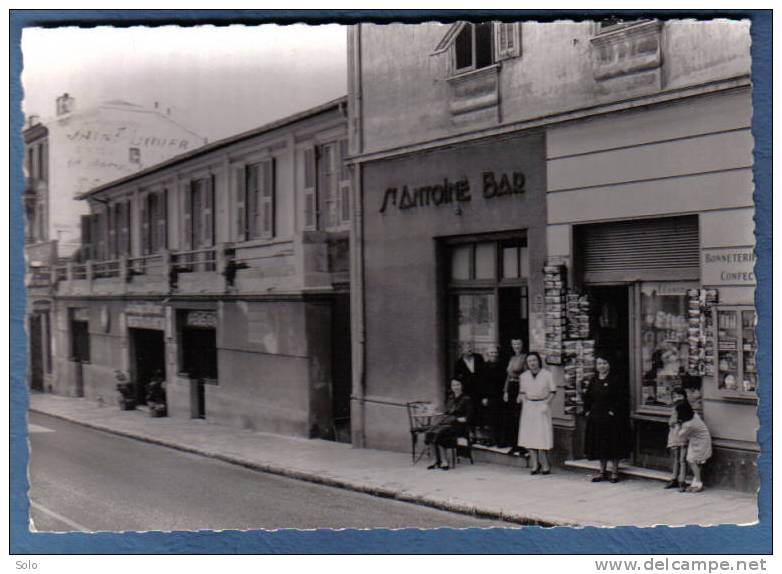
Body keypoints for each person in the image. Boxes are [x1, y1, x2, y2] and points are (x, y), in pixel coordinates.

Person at [583, 354, 632, 483]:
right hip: (596, 416)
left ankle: (615, 472)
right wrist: (588, 410)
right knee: (599, 444)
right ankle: (602, 471)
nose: (602, 366)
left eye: (604, 363)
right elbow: (588, 396)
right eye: (599, 363)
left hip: (612, 419)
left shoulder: (615, 379)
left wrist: (612, 411)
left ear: (609, 364)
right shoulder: (594, 379)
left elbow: (621, 398)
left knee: (613, 444)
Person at [517, 352, 557, 474]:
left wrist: (546, 404)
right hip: (529, 407)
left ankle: (545, 464)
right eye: (529, 361)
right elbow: (522, 392)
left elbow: (553, 391)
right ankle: (534, 464)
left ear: (538, 361)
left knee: (541, 435)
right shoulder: (524, 376)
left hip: (542, 406)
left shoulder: (547, 375)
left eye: (534, 360)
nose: (532, 363)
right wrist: (522, 400)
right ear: (527, 363)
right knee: (529, 436)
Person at [424, 379, 474, 471]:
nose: (456, 387)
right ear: (451, 387)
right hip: (448, 423)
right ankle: (435, 460)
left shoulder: (466, 399)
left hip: (459, 426)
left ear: (462, 385)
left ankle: (444, 461)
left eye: (458, 384)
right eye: (453, 385)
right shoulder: (451, 398)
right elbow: (447, 412)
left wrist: (463, 419)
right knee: (430, 432)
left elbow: (469, 416)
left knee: (441, 433)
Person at [676, 401, 712, 493]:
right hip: (700, 440)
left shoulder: (689, 424)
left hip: (700, 442)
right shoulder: (693, 415)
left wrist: (677, 426)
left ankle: (699, 483)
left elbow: (680, 435)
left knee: (691, 460)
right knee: (697, 462)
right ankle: (695, 483)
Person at [500, 338, 526, 454]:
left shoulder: (525, 358)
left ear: (522, 344)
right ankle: (514, 444)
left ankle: (521, 445)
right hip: (511, 388)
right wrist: (505, 391)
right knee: (511, 417)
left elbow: (525, 377)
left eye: (518, 343)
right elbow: (508, 376)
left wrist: (521, 392)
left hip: (519, 387)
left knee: (518, 417)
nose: (516, 346)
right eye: (514, 344)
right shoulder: (512, 358)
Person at [478, 345, 506, 446]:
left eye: (495, 353)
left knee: (501, 419)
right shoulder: (484, 366)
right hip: (489, 396)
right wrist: (484, 397)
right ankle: (492, 440)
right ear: (487, 354)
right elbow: (481, 383)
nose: (494, 355)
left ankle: (500, 441)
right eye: (491, 353)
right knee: (490, 419)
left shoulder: (502, 365)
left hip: (500, 396)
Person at [664, 386, 689, 489]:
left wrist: (675, 422)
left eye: (679, 396)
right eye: (675, 396)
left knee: (683, 459)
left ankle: (682, 481)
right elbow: (671, 420)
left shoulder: (686, 407)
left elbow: (684, 420)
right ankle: (674, 478)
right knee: (676, 458)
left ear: (684, 397)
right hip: (675, 434)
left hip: (683, 434)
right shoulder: (674, 407)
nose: (677, 398)